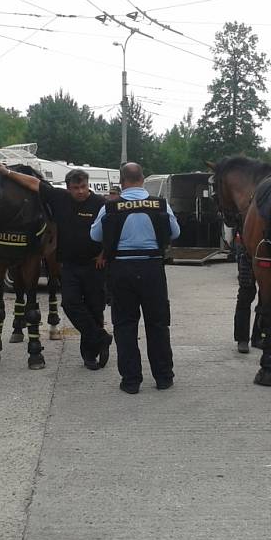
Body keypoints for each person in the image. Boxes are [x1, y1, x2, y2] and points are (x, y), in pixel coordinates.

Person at [2, 167, 111, 370]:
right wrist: (7, 173)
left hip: (94, 265)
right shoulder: (59, 198)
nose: (80, 191)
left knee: (95, 310)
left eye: (84, 187)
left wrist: (104, 253)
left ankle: (90, 354)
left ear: (88, 185)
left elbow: (113, 229)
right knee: (70, 304)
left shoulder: (100, 204)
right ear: (68, 188)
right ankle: (100, 337)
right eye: (75, 188)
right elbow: (34, 183)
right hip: (69, 265)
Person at [90, 162, 181, 394]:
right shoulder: (160, 205)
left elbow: (95, 235)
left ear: (122, 182)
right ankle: (163, 377)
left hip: (121, 269)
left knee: (125, 325)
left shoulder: (110, 207)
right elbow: (175, 232)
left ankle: (131, 381)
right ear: (142, 179)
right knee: (158, 324)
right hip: (152, 268)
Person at [233, 230, 261, 354]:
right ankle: (242, 339)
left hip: (265, 252)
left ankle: (258, 336)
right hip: (247, 252)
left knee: (266, 297)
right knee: (245, 295)